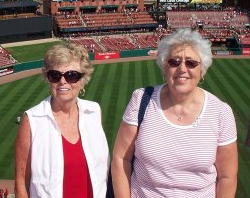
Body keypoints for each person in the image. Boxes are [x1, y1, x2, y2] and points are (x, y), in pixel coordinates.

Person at [111, 28, 238, 197]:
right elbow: (121, 159)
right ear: (164, 68)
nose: (182, 69)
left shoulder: (221, 112)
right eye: (174, 62)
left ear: (202, 70)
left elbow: (227, 177)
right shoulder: (141, 99)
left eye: (191, 63)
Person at [15, 42, 109, 198]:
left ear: (83, 79)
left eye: (72, 75)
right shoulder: (32, 120)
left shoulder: (94, 111)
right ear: (48, 78)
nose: (63, 82)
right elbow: (21, 183)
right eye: (55, 75)